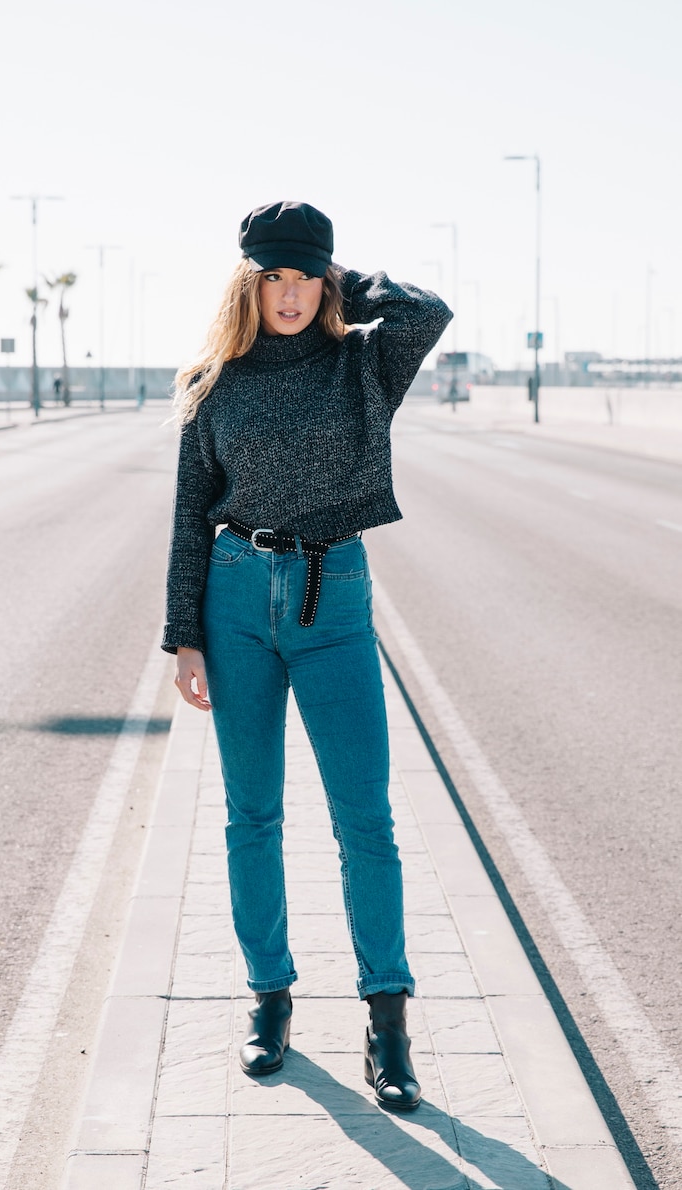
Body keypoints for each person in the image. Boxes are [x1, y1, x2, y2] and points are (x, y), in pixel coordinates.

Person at [162, 200, 452, 1111]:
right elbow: (189, 512)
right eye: (273, 277)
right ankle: (270, 998)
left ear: (326, 282)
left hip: (335, 600)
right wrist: (184, 634)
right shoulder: (213, 381)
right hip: (235, 597)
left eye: (305, 277)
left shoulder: (364, 365)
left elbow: (427, 312)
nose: (289, 295)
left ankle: (387, 1020)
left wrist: (346, 281)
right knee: (252, 814)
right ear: (248, 285)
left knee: (365, 818)